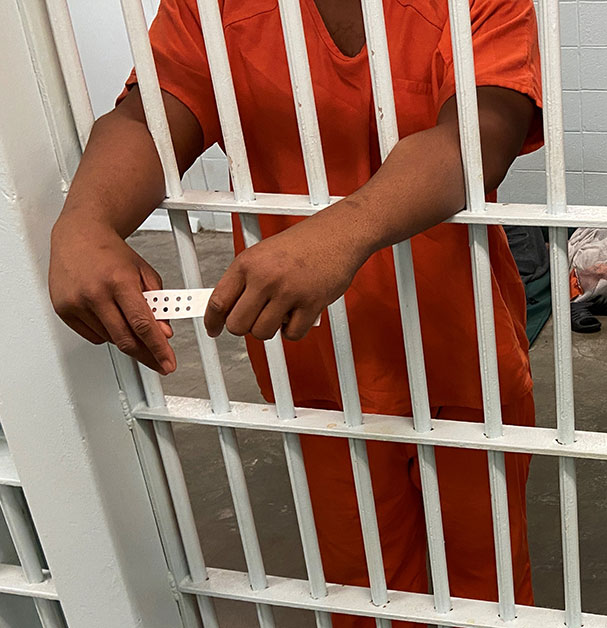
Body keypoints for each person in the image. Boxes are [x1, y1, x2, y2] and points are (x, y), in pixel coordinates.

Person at [47, 1, 542, 626]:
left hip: (463, 355)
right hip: (314, 367)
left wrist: (347, 227)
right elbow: (150, 118)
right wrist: (85, 220)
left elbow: (483, 134)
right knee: (365, 592)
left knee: (485, 594)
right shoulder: (214, 8)